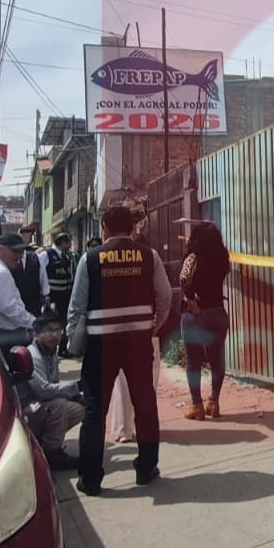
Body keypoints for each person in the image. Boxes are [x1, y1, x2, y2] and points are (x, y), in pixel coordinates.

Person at [66, 205, 173, 495]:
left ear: (105, 228)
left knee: (94, 411)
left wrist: (74, 347)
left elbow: (76, 309)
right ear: (131, 227)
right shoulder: (148, 257)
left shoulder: (90, 259)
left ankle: (90, 479)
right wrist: (152, 327)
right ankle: (146, 468)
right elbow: (165, 297)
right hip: (138, 343)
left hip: (101, 346)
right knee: (145, 406)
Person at [179, 221, 232, 420]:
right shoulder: (222, 257)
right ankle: (214, 402)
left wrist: (190, 300)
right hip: (218, 312)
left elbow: (184, 279)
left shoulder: (193, 256)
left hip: (196, 315)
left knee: (193, 361)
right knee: (217, 359)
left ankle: (196, 406)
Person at [20, 314, 85, 469]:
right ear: (36, 334)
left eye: (58, 330)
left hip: (40, 406)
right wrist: (76, 387)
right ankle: (52, 452)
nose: (55, 335)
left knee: (79, 409)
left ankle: (44, 441)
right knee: (59, 405)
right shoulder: (33, 356)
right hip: (26, 411)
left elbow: (54, 385)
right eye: (49, 331)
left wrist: (76, 395)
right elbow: (43, 391)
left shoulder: (51, 352)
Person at [12, 240, 48, 317]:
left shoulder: (36, 258)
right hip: (17, 299)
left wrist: (46, 294)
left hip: (33, 298)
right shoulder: (11, 260)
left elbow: (43, 276)